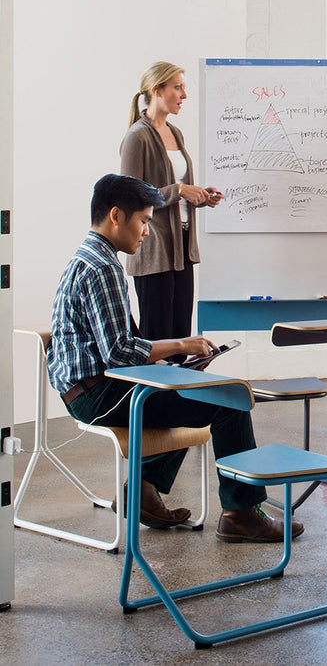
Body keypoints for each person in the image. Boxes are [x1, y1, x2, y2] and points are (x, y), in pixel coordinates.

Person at [47, 174, 302, 544]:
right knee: (229, 399)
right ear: (116, 216)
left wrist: (170, 360)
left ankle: (144, 490)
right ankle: (241, 514)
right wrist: (182, 344)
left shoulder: (89, 256)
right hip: (97, 396)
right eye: (144, 221)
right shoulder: (103, 267)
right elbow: (118, 353)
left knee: (188, 386)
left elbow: (116, 347)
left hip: (87, 389)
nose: (147, 232)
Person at [120, 61, 223, 340]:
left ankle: (179, 386)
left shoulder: (175, 133)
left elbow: (172, 188)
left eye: (183, 88)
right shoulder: (136, 136)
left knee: (181, 337)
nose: (184, 95)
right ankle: (156, 388)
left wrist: (198, 196)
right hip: (154, 251)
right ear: (157, 90)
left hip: (182, 248)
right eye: (177, 88)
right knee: (159, 339)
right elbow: (129, 194)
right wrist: (179, 191)